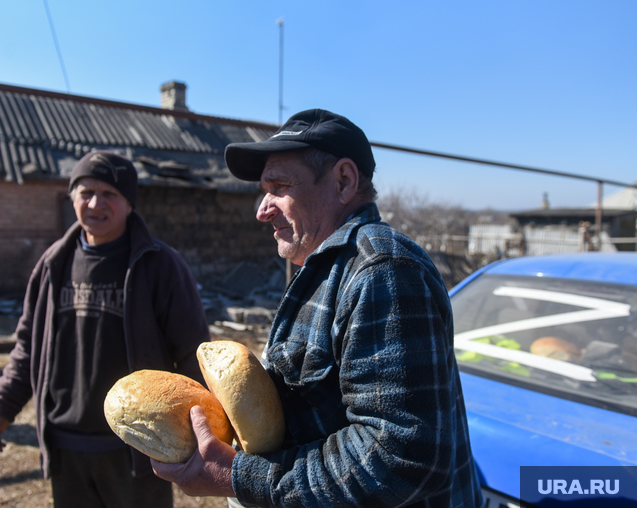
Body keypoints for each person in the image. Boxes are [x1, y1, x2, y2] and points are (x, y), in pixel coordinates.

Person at [152, 109, 484, 507]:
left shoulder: (383, 270)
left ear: (344, 181)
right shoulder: (325, 267)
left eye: (279, 187)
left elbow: (399, 458)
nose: (262, 208)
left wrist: (238, 475)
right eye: (264, 189)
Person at [0, 151, 210, 508]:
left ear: (129, 204)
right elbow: (27, 347)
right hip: (66, 446)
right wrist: (0, 408)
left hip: (137, 449)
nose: (96, 203)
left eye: (110, 194)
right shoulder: (53, 264)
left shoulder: (159, 266)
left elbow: (194, 355)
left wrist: (201, 436)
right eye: (86, 192)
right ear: (72, 198)